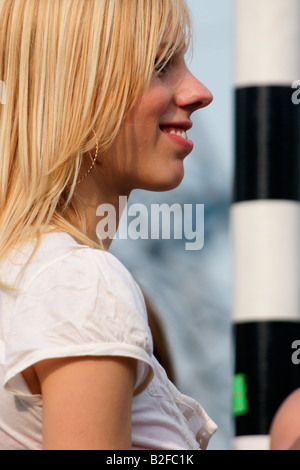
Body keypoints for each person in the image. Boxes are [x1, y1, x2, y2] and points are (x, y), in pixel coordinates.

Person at [0, 0, 217, 450]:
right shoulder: (81, 283)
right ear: (76, 89)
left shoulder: (24, 278)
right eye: (160, 65)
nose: (199, 92)